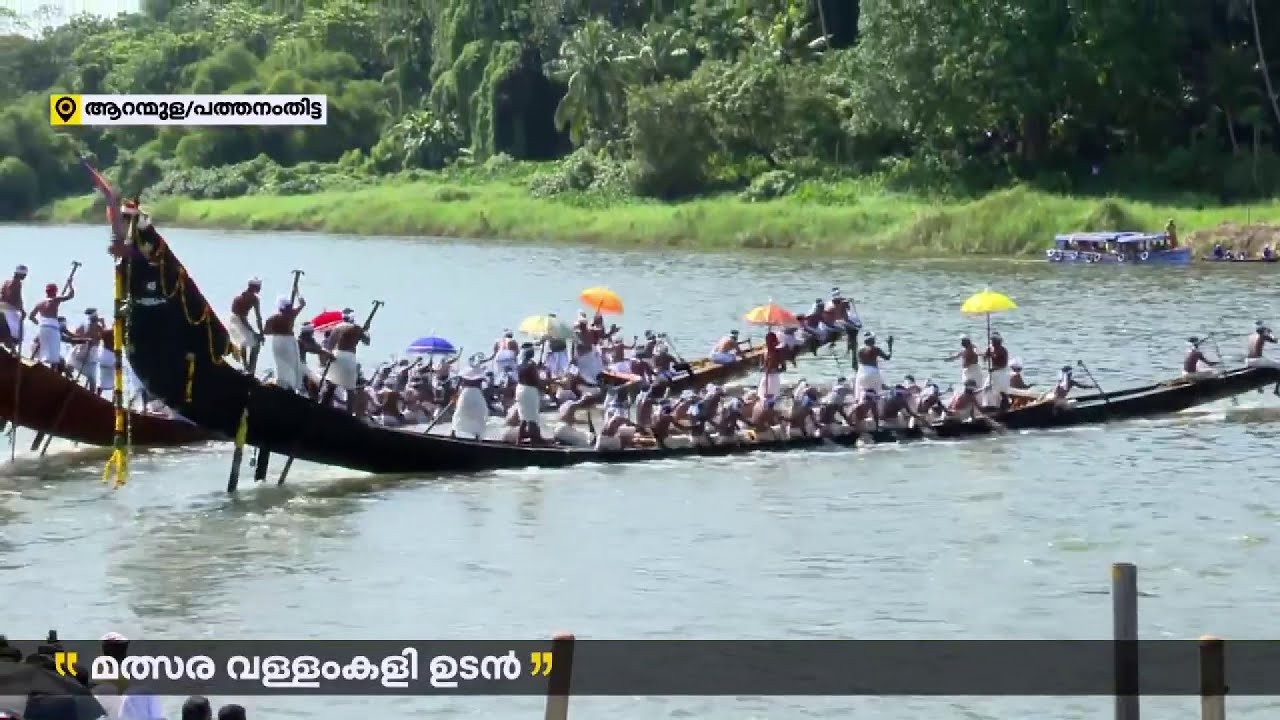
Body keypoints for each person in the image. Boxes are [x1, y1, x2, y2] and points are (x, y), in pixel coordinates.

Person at [321, 315, 370, 406]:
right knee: (350, 390)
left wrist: (327, 358)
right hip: (349, 357)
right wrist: (365, 331)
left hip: (336, 355)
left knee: (330, 386)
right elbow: (367, 342)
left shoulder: (337, 327)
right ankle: (349, 414)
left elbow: (330, 345)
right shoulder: (356, 328)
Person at [27, 281, 74, 369]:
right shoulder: (55, 299)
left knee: (43, 348)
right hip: (53, 327)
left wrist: (39, 323)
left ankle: (36, 362)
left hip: (43, 327)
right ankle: (53, 370)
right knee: (54, 350)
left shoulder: (40, 303)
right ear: (55, 291)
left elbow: (31, 317)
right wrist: (70, 284)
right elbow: (70, 296)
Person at [264, 295, 306, 391]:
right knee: (292, 363)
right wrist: (300, 299)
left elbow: (265, 331)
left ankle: (282, 384)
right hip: (288, 341)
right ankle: (290, 385)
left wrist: (277, 332)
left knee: (280, 363)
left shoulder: (272, 318)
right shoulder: (292, 314)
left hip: (277, 342)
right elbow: (303, 304)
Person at [228, 278, 264, 367]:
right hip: (237, 321)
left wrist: (261, 333)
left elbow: (257, 318)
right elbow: (242, 319)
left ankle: (249, 367)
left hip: (239, 321)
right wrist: (255, 332)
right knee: (246, 342)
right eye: (259, 287)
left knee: (252, 342)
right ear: (254, 287)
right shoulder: (243, 299)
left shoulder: (252, 299)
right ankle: (246, 366)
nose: (260, 289)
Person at [513, 346, 545, 443]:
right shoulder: (532, 364)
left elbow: (526, 374)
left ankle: (519, 439)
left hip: (520, 389)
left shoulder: (520, 364)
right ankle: (535, 440)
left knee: (524, 416)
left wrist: (537, 368)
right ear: (532, 355)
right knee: (532, 417)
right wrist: (541, 388)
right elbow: (535, 380)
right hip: (529, 391)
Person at [68, 308, 104, 391]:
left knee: (92, 377)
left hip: (91, 353)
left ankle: (92, 394)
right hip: (83, 350)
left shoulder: (99, 327)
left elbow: (104, 336)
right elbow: (75, 338)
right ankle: (69, 378)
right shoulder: (85, 326)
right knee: (70, 362)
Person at [451, 364, 489, 438]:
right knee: (477, 415)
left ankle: (453, 432)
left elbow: (459, 384)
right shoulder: (480, 377)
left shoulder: (464, 376)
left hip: (465, 394)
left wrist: (456, 393)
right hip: (476, 394)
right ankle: (477, 436)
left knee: (459, 413)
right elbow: (483, 386)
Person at [853, 332, 892, 399]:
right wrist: (890, 345)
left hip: (862, 372)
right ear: (872, 341)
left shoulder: (859, 350)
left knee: (859, 393)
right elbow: (887, 357)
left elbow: (855, 364)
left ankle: (858, 402)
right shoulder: (876, 349)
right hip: (874, 373)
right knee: (877, 394)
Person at [0, 265, 26, 351]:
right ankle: (13, 349)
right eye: (25, 275)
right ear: (21, 275)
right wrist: (21, 310)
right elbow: (15, 297)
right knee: (15, 333)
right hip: (8, 310)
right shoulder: (17, 283)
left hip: (2, 307)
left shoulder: (7, 282)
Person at [984, 331, 1011, 409]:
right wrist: (986, 355)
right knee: (986, 388)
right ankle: (989, 405)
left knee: (1001, 391)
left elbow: (1003, 364)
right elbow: (985, 358)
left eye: (994, 341)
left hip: (1001, 372)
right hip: (993, 372)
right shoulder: (990, 348)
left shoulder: (1003, 351)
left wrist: (994, 368)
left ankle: (1004, 407)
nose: (993, 343)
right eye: (992, 341)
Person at [759, 330, 786, 400]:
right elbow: (761, 366)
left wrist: (774, 370)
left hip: (773, 378)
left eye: (770, 341)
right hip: (765, 377)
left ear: (774, 342)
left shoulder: (778, 353)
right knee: (762, 397)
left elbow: (784, 368)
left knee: (772, 398)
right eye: (767, 341)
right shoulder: (764, 352)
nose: (768, 343)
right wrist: (763, 368)